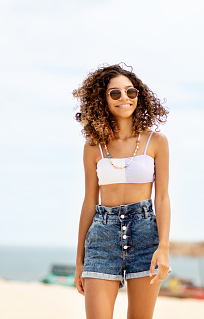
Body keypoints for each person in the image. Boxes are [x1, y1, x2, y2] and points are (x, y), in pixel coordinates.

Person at [72, 63, 171, 319]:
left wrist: (164, 247)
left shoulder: (156, 142)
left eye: (131, 92)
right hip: (102, 237)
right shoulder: (94, 147)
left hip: (145, 235)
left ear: (139, 96)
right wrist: (79, 259)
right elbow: (89, 203)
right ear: (102, 100)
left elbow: (161, 197)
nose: (124, 98)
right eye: (114, 93)